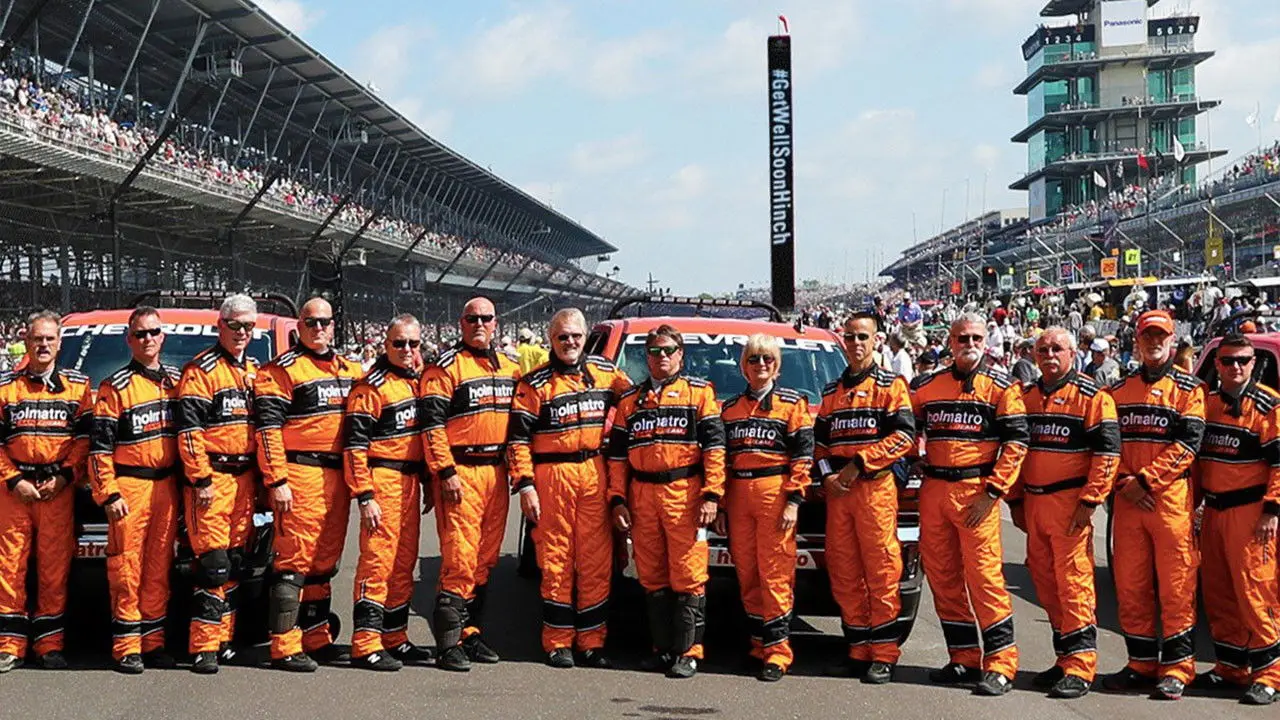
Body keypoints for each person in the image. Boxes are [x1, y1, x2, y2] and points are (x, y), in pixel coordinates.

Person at [909, 312, 1028, 696]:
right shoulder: (926, 386)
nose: (970, 345)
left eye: (976, 338)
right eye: (963, 339)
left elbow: (1016, 443)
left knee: (985, 579)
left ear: (986, 341)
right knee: (943, 578)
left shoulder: (1002, 387)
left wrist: (994, 491)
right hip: (934, 489)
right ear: (950, 341)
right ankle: (962, 658)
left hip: (977, 492)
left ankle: (1001, 663)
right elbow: (907, 430)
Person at [507, 308, 632, 670]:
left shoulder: (605, 374)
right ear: (551, 340)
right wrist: (526, 485)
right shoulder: (534, 384)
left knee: (595, 562)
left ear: (585, 336)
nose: (570, 343)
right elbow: (517, 440)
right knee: (556, 560)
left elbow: (637, 403)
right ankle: (557, 641)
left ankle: (592, 642)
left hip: (594, 471)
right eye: (563, 337)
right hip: (551, 476)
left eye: (576, 336)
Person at [607, 324, 726, 679]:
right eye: (655, 351)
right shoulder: (630, 401)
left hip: (685, 494)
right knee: (653, 577)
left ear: (681, 355)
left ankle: (688, 652)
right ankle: (661, 650)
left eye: (669, 351)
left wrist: (712, 494)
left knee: (689, 576)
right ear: (647, 357)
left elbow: (716, 449)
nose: (662, 357)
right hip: (642, 496)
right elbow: (616, 458)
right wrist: (617, 499)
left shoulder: (700, 394)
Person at [1007, 327, 1119, 699]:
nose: (1049, 355)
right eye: (1042, 349)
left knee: (1074, 585)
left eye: (1057, 348)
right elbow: (1015, 452)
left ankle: (1081, 666)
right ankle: (1064, 656)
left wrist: (1090, 501)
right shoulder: (1026, 397)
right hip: (1035, 504)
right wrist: (1016, 500)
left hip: (1070, 505)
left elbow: (1107, 453)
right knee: (1046, 584)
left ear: (1073, 353)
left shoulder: (1092, 396)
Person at [1102, 309, 1205, 700]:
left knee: (1177, 584)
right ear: (1137, 341)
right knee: (1131, 584)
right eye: (1148, 336)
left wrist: (1144, 480)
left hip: (1169, 500)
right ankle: (1141, 664)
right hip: (1128, 501)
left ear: (1173, 339)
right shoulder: (1118, 390)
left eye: (1161, 335)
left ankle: (1178, 668)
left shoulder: (1189, 389)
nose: (1155, 342)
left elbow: (1188, 445)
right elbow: (1107, 447)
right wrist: (1124, 482)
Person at [255, 296, 362, 672]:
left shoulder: (349, 369)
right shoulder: (281, 370)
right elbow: (267, 430)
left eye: (325, 322)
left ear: (334, 325)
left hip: (338, 478)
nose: (319, 329)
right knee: (294, 561)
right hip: (299, 474)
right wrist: (277, 480)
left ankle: (316, 637)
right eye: (311, 322)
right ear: (299, 325)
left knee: (323, 563)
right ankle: (283, 645)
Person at [420, 297, 521, 671]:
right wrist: (444, 472)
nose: (479, 323)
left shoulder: (511, 369)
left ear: (496, 324)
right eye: (472, 318)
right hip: (460, 473)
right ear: (461, 323)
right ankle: (448, 645)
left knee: (484, 561)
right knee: (459, 560)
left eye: (486, 318)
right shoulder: (444, 368)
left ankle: (470, 633)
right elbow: (431, 426)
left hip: (496, 473)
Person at [816, 312, 914, 684]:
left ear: (876, 340)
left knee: (881, 570)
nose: (856, 344)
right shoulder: (830, 392)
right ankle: (858, 650)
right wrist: (828, 477)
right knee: (844, 572)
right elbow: (820, 443)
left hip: (874, 488)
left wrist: (859, 463)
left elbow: (904, 437)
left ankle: (885, 654)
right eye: (850, 337)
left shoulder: (891, 386)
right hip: (839, 492)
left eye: (862, 337)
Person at [715, 334, 813, 682]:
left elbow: (803, 456)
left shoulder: (792, 404)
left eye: (767, 360)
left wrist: (793, 500)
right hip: (739, 492)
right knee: (748, 573)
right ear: (743, 366)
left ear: (778, 365)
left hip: (775, 491)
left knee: (775, 574)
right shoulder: (728, 410)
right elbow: (721, 462)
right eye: (753, 360)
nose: (760, 366)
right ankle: (758, 644)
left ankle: (778, 652)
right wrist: (722, 506)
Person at [89, 307, 182, 674]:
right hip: (130, 486)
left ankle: (154, 642)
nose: (147, 339)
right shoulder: (115, 387)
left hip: (168, 488)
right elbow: (99, 449)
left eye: (153, 332)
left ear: (163, 337)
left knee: (159, 567)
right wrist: (108, 494)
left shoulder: (176, 383)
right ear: (130, 340)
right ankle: (127, 646)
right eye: (140, 333)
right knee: (127, 567)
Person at [0, 310, 92, 673]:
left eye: (49, 339)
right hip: (13, 491)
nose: (43, 345)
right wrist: (12, 479)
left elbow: (85, 442)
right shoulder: (6, 386)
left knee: (54, 572)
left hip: (57, 490)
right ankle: (9, 646)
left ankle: (49, 646)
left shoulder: (78, 387)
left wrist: (65, 477)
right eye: (37, 338)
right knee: (9, 568)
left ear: (59, 344)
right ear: (26, 339)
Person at [343, 314, 435, 672]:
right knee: (377, 562)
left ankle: (395, 637)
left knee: (403, 563)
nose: (408, 351)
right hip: (381, 481)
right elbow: (354, 446)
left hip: (410, 482)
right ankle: (365, 643)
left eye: (414, 344)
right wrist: (365, 496)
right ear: (386, 345)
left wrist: (426, 480)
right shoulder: (371, 387)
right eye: (399, 344)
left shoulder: (419, 381)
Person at [177, 294, 261, 674]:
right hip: (212, 480)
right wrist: (201, 478)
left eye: (248, 326)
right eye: (235, 325)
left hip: (244, 480)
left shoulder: (255, 370)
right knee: (212, 564)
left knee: (235, 563)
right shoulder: (201, 371)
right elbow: (190, 430)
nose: (242, 332)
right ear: (220, 326)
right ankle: (203, 647)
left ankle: (225, 641)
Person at [1194, 335, 1280, 705]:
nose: (1235, 368)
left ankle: (1270, 673)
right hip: (1213, 511)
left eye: (1243, 360)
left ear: (1253, 362)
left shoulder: (1268, 405)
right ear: (1217, 364)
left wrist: (1271, 510)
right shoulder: (1207, 404)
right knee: (1219, 591)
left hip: (1250, 515)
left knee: (1256, 591)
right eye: (1227, 361)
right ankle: (1231, 667)